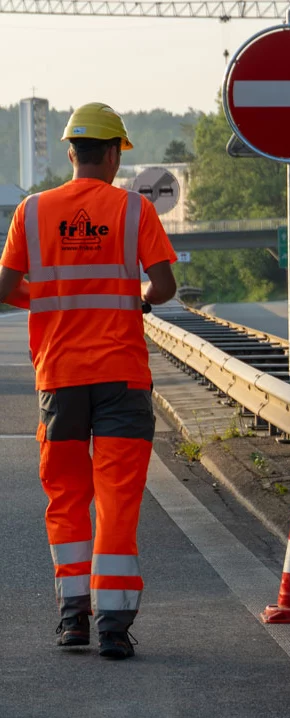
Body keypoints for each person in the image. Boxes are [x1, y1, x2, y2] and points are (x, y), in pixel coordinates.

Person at [0, 103, 178, 660]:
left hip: (60, 380)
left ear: (73, 152)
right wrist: (138, 303)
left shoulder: (31, 212)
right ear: (109, 153)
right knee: (118, 501)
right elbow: (166, 285)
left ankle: (73, 618)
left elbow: (5, 286)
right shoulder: (133, 211)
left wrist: (52, 302)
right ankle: (113, 629)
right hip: (123, 378)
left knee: (67, 497)